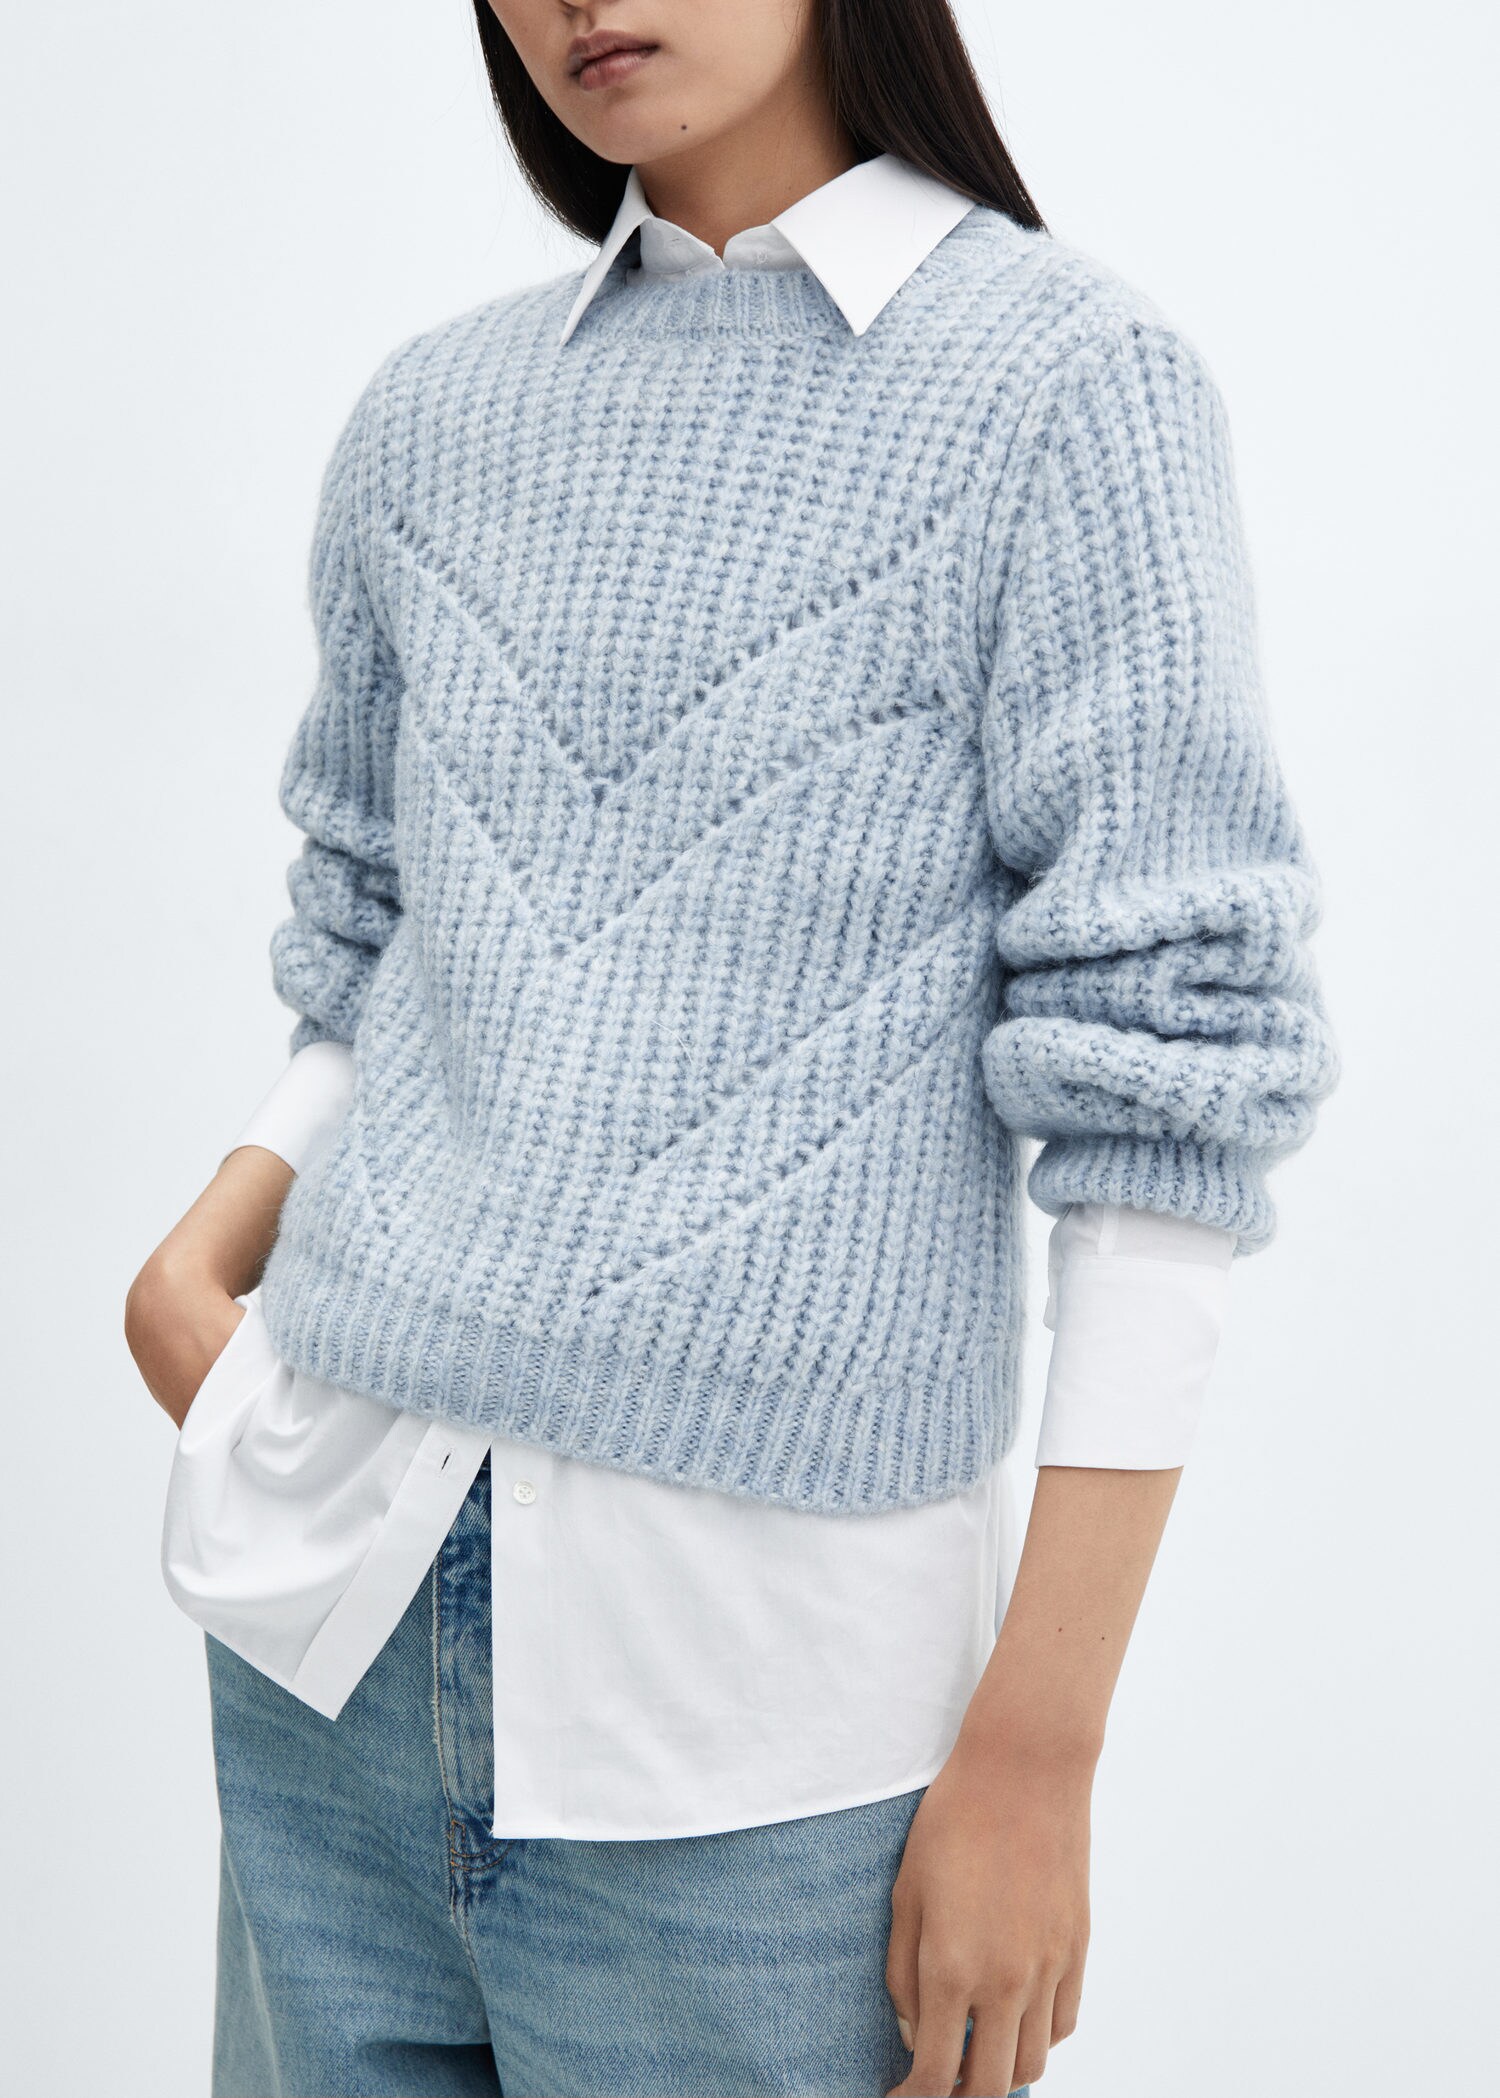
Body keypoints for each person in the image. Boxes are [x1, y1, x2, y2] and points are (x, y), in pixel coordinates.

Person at [124, 3, 1338, 2094]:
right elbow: (381, 926)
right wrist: (207, 1250)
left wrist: (1039, 1750)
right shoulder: (434, 414)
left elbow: (1164, 1078)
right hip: (325, 1636)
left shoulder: (1066, 389)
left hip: (755, 1732)